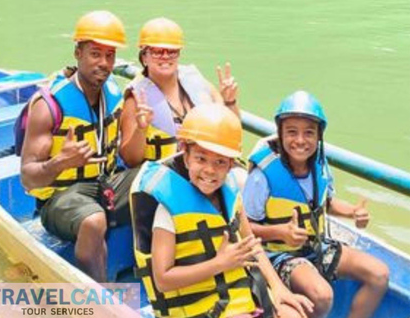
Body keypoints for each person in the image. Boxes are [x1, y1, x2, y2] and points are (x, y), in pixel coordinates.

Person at [130, 105, 314, 318]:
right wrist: (220, 263)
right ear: (186, 154)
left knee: (295, 314)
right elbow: (162, 280)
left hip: (237, 302)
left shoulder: (231, 195)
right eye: (201, 159)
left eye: (220, 162)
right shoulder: (168, 210)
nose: (210, 170)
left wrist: (279, 289)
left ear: (230, 165)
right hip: (198, 310)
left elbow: (251, 243)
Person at [243, 90, 389, 318]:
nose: (300, 141)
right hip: (278, 254)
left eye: (309, 133)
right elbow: (245, 227)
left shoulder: (319, 163)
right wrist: (279, 232)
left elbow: (324, 203)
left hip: (317, 247)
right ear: (280, 133)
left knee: (379, 274)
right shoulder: (263, 174)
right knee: (322, 295)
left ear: (319, 136)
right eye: (292, 132)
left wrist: (353, 212)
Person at [20, 10, 138, 282]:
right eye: (95, 54)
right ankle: (101, 299)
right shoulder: (49, 106)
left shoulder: (114, 94)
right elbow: (28, 177)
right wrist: (59, 162)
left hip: (105, 185)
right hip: (60, 198)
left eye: (110, 56)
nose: (104, 63)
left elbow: (128, 155)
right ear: (78, 53)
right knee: (93, 220)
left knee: (158, 178)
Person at [119, 17, 240, 167]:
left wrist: (230, 102)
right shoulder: (136, 98)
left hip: (205, 168)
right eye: (157, 51)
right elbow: (130, 159)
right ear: (144, 57)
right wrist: (141, 129)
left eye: (171, 51)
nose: (165, 56)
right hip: (163, 174)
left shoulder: (197, 81)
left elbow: (230, 130)